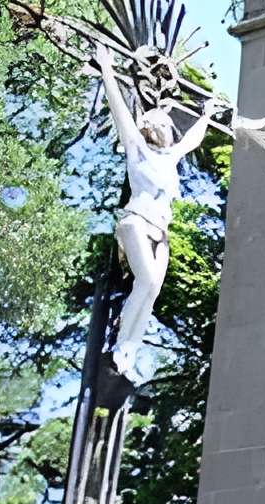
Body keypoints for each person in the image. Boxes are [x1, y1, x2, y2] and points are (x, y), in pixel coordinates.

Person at [93, 44, 223, 381]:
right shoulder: (137, 147)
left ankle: (127, 351)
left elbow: (192, 139)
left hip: (161, 233)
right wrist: (108, 68)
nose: (156, 124)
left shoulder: (170, 157)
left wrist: (207, 114)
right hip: (136, 223)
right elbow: (119, 107)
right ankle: (121, 344)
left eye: (161, 122)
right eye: (150, 120)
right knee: (147, 279)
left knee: (150, 292)